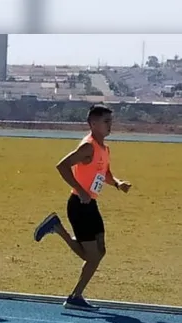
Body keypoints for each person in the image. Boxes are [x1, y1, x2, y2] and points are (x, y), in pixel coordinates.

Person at [33, 104, 131, 311]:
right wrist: (81, 189)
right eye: (106, 122)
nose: (110, 125)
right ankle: (74, 295)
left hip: (90, 204)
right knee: (91, 256)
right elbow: (62, 166)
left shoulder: (104, 148)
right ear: (93, 124)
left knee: (100, 251)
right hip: (79, 204)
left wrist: (118, 183)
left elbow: (104, 174)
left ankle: (76, 295)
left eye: (111, 121)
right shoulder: (88, 147)